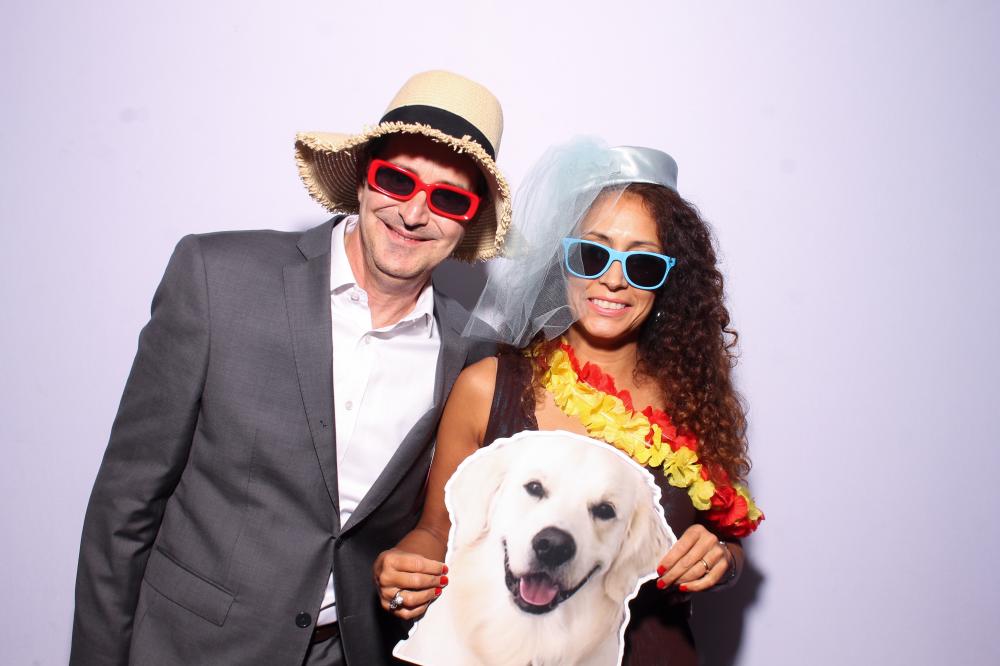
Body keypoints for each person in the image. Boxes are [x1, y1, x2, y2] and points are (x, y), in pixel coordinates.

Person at [70, 70, 512, 666]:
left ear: (468, 220)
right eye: (397, 179)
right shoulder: (217, 277)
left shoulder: (471, 355)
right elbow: (126, 501)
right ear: (365, 176)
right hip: (191, 647)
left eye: (448, 198)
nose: (413, 213)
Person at [374, 137, 763, 664]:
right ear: (563, 261)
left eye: (643, 265)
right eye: (592, 254)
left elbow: (724, 542)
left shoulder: (695, 404)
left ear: (670, 281)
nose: (613, 280)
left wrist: (723, 561)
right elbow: (435, 530)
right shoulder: (487, 388)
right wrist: (407, 565)